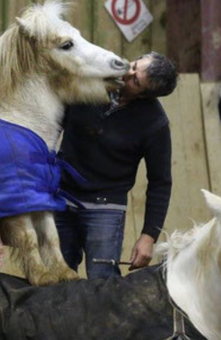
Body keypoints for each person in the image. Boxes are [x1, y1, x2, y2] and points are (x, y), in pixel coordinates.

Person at [56, 51, 178, 279]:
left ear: (146, 96)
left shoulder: (155, 124)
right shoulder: (88, 83)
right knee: (53, 278)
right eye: (134, 65)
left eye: (135, 81)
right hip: (61, 197)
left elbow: (160, 183)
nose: (127, 73)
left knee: (103, 284)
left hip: (106, 208)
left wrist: (148, 236)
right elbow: (53, 125)